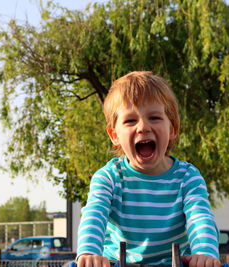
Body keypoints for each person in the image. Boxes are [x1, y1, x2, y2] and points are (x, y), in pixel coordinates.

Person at [76, 71, 220, 267]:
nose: (143, 127)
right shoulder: (109, 178)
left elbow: (200, 217)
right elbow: (94, 213)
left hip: (175, 263)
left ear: (173, 128)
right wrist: (89, 252)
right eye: (130, 121)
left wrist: (204, 253)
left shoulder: (187, 178)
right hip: (117, 263)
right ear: (114, 134)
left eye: (154, 118)